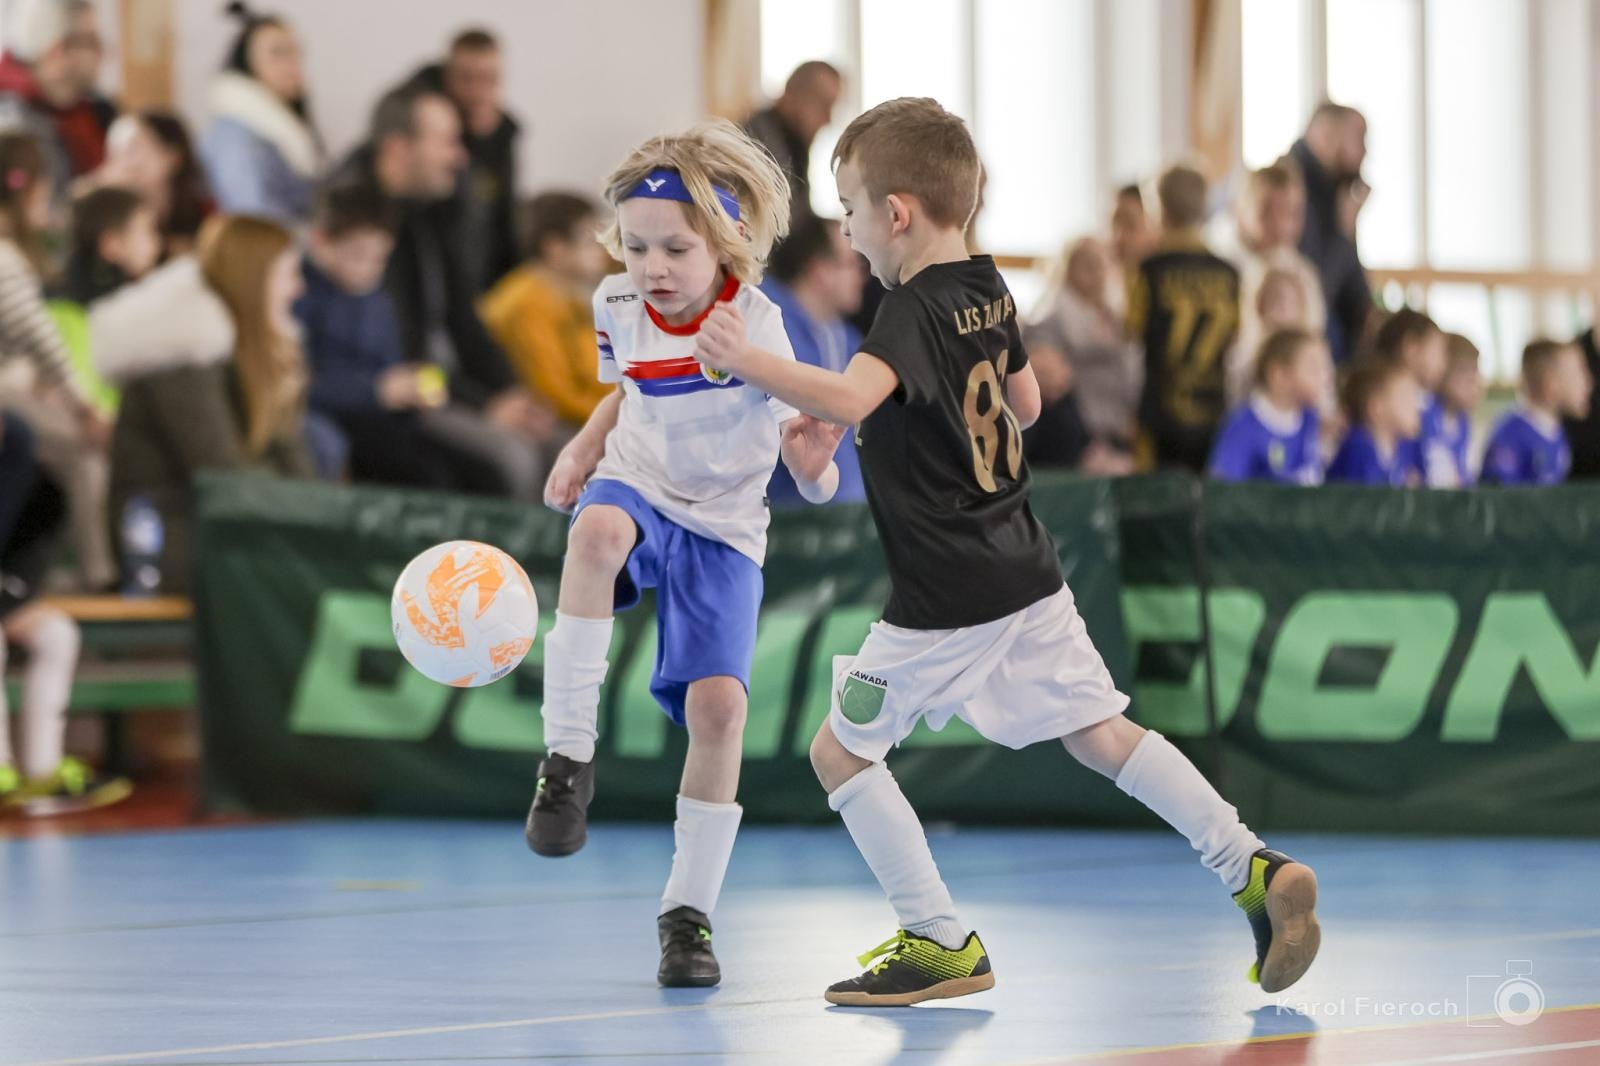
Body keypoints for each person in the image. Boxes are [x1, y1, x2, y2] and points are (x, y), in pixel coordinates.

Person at [688, 96, 1319, 1006]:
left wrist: (747, 358)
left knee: (840, 754)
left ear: (895, 212)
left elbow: (854, 395)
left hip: (949, 592)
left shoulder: (906, 311)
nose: (850, 230)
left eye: (851, 207)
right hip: (1025, 565)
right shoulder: (987, 286)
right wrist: (871, 426)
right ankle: (1249, 863)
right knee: (1103, 735)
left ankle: (936, 936)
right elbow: (1020, 406)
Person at [522, 121, 845, 991]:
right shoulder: (616, 305)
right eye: (635, 247)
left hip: (725, 526)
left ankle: (687, 914)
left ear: (725, 244)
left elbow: (806, 455)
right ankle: (566, 762)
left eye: (674, 248)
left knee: (718, 713)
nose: (652, 265)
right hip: (639, 481)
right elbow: (626, 391)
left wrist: (813, 465)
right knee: (592, 534)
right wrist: (583, 448)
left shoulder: (759, 325)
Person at [334, 83, 551, 501]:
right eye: (448, 142)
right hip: (411, 399)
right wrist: (483, 406)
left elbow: (466, 322)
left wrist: (508, 391)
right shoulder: (359, 230)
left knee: (567, 443)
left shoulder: (434, 212)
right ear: (399, 149)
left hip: (449, 386)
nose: (460, 157)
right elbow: (405, 360)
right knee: (515, 459)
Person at [107, 215, 315, 593]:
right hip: (165, 536)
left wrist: (324, 519)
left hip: (223, 528)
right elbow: (222, 472)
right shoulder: (181, 352)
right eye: (288, 275)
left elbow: (291, 457)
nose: (298, 289)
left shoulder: (254, 350)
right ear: (253, 280)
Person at [299, 182, 494, 493]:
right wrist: (375, 390)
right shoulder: (302, 296)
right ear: (321, 242)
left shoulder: (377, 297)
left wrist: (417, 385)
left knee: (480, 475)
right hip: (345, 419)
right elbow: (299, 381)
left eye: (380, 258)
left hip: (395, 418)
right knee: (427, 478)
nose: (370, 269)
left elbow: (392, 362)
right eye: (357, 255)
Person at [0, 131, 111, 589]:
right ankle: (99, 575)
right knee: (86, 448)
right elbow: (39, 337)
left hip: (15, 384)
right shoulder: (4, 257)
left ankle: (45, 572)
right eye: (45, 196)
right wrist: (84, 405)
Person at [1129, 164, 1240, 472]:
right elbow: (1234, 338)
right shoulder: (1228, 273)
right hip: (1213, 409)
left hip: (1160, 411)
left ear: (1159, 209)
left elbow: (1131, 332)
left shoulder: (1149, 270)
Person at [479, 192, 614, 434]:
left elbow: (595, 372)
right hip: (552, 421)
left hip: (586, 414)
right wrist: (617, 416)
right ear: (556, 248)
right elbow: (553, 394)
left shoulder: (569, 297)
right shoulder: (526, 304)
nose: (601, 252)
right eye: (590, 242)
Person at [758, 214, 867, 506]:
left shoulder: (844, 336)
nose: (862, 275)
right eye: (852, 264)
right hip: (784, 521)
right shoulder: (766, 328)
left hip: (843, 517)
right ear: (820, 271)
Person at [409, 29, 520, 294]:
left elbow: (505, 217)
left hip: (486, 282)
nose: (478, 91)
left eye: (489, 79)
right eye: (467, 79)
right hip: (437, 282)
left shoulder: (502, 134)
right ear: (447, 75)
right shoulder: (417, 120)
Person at [199, 3, 322, 225]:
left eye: (295, 52)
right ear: (247, 62)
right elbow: (254, 221)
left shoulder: (280, 127)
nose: (291, 65)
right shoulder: (235, 136)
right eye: (278, 53)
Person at [1026, 236, 1141, 458]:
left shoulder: (1120, 320)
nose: (1096, 271)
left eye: (1102, 263)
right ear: (1068, 269)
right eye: (1087, 263)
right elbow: (1049, 376)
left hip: (1122, 437)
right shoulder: (1051, 320)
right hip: (1078, 441)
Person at [1224, 164, 1326, 401]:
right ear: (1240, 211)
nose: (1282, 226)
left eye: (1292, 214)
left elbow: (1315, 345)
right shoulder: (1219, 270)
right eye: (1267, 212)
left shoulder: (1304, 274)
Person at [0, 0, 107, 210]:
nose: (103, 53)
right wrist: (98, 189)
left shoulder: (96, 111)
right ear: (56, 50)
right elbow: (26, 216)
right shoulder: (11, 124)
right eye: (91, 41)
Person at [1291, 103, 1369, 365]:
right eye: (1358, 140)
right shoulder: (1295, 190)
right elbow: (1316, 286)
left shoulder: (1334, 191)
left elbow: (1354, 290)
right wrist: (1343, 232)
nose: (1364, 152)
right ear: (1325, 134)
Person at [1207, 328, 1327, 484]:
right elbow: (1221, 489)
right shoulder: (1243, 426)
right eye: (1313, 367)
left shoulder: (1310, 419)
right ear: (1278, 375)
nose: (1324, 377)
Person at [92, 110, 212, 258]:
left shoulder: (206, 215)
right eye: (120, 151)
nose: (127, 161)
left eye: (137, 148)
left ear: (173, 156)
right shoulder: (113, 218)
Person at [1480, 339, 1592, 486]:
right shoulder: (1510, 436)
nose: (1589, 383)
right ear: (1551, 385)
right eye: (1578, 373)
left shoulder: (1557, 432)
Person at [744, 61, 842, 227]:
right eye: (823, 105)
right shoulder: (758, 143)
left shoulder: (791, 140)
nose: (828, 119)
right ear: (793, 94)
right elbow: (786, 227)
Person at [1372, 308, 1449, 486]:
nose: (1443, 363)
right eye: (1438, 350)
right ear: (1411, 349)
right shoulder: (1387, 407)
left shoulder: (1431, 408)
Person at [1326, 359, 1421, 486]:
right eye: (1406, 400)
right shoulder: (1358, 446)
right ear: (1377, 408)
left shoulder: (1404, 446)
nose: (1415, 408)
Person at [1436, 332, 1481, 486]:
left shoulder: (1463, 421)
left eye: (1475, 372)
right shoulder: (1424, 417)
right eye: (1463, 371)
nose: (1474, 382)